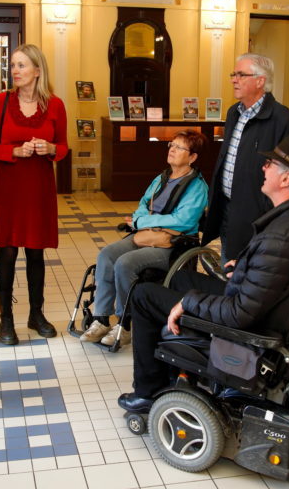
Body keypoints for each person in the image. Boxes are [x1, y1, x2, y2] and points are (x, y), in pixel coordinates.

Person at [118, 134, 289, 411]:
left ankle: (148, 392)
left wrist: (188, 303)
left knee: (144, 295)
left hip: (255, 323)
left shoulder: (280, 236)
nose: (263, 168)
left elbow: (240, 312)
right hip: (266, 302)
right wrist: (246, 268)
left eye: (270, 164)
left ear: (286, 179)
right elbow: (275, 273)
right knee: (179, 277)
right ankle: (172, 364)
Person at [80, 129, 209, 347]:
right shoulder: (162, 178)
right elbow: (143, 204)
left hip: (172, 244)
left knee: (125, 263)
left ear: (193, 157)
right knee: (107, 255)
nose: (172, 150)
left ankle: (125, 322)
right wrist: (140, 219)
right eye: (171, 145)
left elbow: (184, 221)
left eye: (180, 147)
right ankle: (101, 318)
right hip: (146, 235)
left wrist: (143, 222)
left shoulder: (197, 186)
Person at [0, 44, 68, 345]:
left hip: (38, 186)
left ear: (37, 71)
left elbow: (64, 146)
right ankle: (6, 320)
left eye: (22, 65)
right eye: (13, 66)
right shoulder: (1, 101)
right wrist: (14, 151)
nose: (15, 71)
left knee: (35, 252)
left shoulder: (55, 105)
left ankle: (36, 314)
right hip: (7, 186)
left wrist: (52, 148)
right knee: (7, 252)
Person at [203, 53, 289, 263]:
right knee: (228, 265)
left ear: (260, 81)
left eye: (241, 74)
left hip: (258, 216)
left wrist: (268, 213)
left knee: (249, 272)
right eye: (233, 74)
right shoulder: (233, 113)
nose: (233, 79)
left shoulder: (283, 120)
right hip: (228, 208)